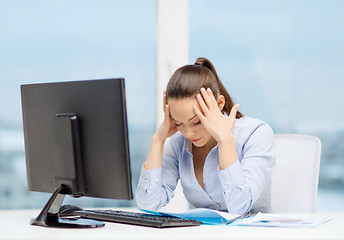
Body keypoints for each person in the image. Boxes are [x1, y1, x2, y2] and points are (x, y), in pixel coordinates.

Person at [136, 57, 275, 214]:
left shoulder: (256, 134)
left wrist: (225, 140)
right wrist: (158, 140)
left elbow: (239, 206)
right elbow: (148, 204)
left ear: (219, 104)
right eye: (179, 123)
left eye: (196, 122)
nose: (188, 133)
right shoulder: (178, 143)